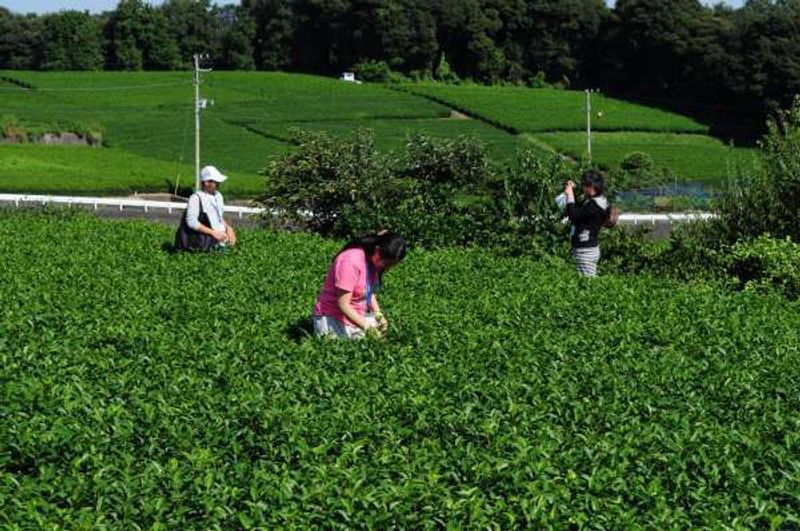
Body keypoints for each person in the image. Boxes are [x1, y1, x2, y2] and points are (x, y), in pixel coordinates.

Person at [312, 232, 408, 339]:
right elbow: (343, 304)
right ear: (377, 250)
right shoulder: (350, 261)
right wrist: (367, 327)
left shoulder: (371, 261)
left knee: (383, 337)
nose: (387, 268)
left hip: (356, 314)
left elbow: (368, 291)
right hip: (332, 317)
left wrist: (379, 315)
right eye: (386, 264)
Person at [174, 166, 237, 252]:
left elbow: (219, 217)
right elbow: (192, 222)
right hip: (204, 243)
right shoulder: (196, 198)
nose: (218, 184)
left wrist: (229, 228)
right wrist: (213, 233)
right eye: (216, 182)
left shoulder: (218, 196)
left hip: (221, 240)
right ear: (206, 182)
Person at [565, 169, 611, 277]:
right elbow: (579, 211)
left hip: (586, 251)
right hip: (588, 247)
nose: (582, 188)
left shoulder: (593, 206)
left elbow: (574, 216)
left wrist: (570, 196)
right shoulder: (600, 201)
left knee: (588, 285)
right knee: (585, 283)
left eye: (584, 185)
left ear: (590, 186)